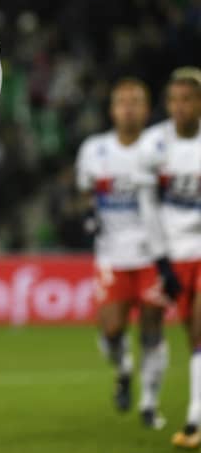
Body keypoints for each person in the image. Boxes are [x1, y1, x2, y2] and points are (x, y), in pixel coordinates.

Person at [75, 77, 180, 429]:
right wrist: (89, 213)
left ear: (147, 109)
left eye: (136, 101)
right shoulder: (94, 149)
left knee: (152, 327)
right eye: (122, 101)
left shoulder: (161, 148)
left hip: (153, 254)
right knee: (112, 330)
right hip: (111, 255)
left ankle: (150, 403)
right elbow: (86, 192)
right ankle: (123, 370)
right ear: (112, 109)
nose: (129, 108)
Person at [138, 68, 201, 448]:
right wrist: (161, 261)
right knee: (165, 329)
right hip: (171, 254)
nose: (180, 107)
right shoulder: (153, 145)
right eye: (174, 100)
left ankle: (194, 421)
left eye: (188, 99)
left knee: (198, 331)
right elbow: (147, 205)